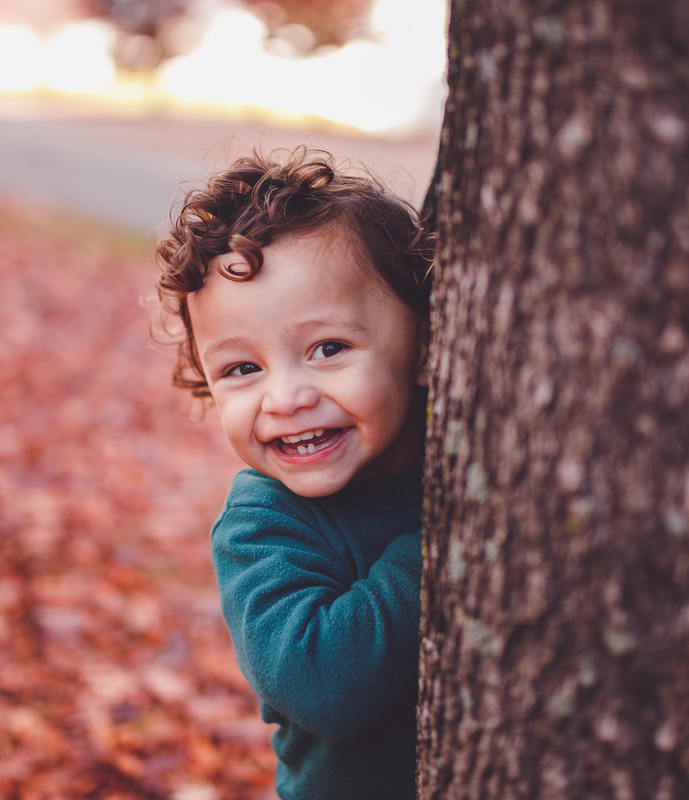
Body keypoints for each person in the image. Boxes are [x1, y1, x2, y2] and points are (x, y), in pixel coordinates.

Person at [153, 147, 431, 800]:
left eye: (328, 349)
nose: (285, 398)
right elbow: (321, 685)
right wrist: (446, 550)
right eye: (242, 369)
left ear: (425, 347)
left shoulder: (462, 459)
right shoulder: (264, 524)